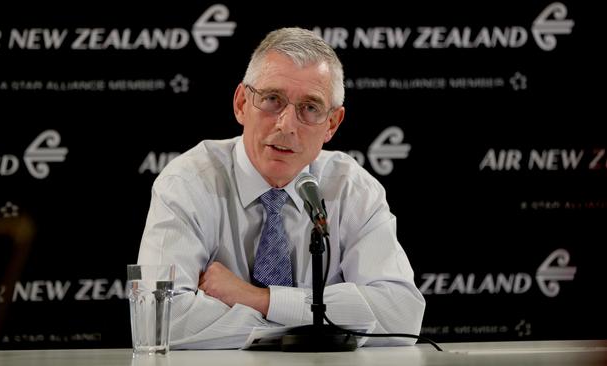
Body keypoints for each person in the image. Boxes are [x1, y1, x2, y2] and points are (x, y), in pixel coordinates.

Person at [137, 27, 425, 349]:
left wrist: (260, 299)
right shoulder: (187, 184)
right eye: (272, 100)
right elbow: (157, 319)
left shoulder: (352, 189)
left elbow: (402, 314)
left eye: (310, 108)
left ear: (332, 124)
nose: (286, 125)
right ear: (242, 103)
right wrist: (309, 323)